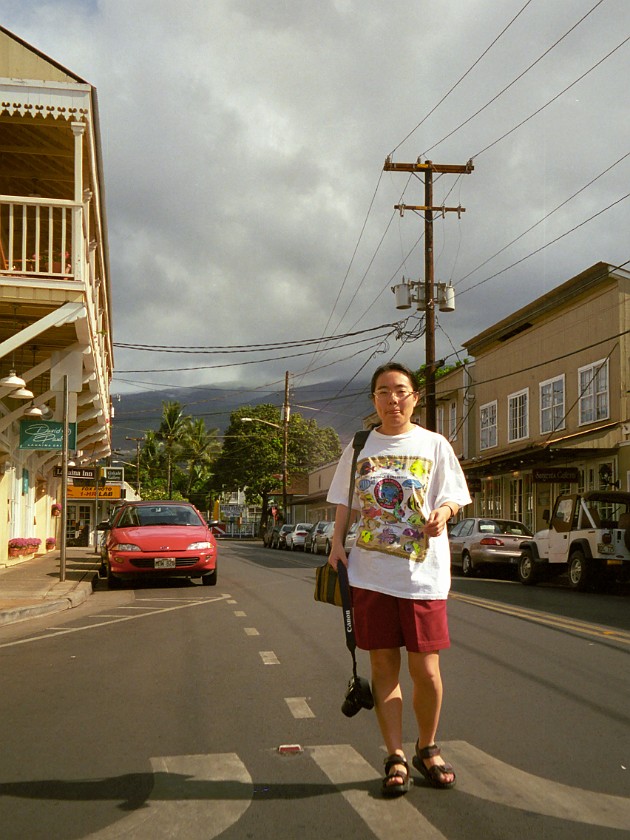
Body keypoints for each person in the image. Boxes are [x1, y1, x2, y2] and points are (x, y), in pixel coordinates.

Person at [326, 361, 471, 797]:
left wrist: (441, 517)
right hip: (371, 573)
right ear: (374, 400)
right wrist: (336, 542)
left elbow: (453, 498)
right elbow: (344, 501)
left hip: (422, 575)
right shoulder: (358, 446)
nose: (393, 399)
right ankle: (395, 755)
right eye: (384, 391)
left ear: (414, 398)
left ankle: (428, 747)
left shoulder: (434, 444)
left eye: (401, 391)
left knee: (425, 669)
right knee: (383, 665)